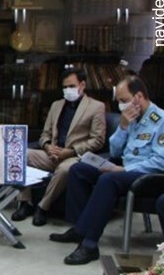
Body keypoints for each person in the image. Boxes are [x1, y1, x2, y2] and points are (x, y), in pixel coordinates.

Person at [51, 75, 164, 265]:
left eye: (124, 100)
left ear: (139, 96)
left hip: (153, 177)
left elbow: (162, 162)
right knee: (79, 169)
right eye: (119, 101)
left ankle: (89, 245)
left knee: (108, 180)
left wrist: (125, 170)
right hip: (126, 169)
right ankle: (79, 229)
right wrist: (123, 127)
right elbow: (115, 151)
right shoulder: (131, 119)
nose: (121, 105)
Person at [11, 69, 106, 226]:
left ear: (82, 85)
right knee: (20, 153)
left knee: (64, 169)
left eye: (72, 86)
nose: (68, 90)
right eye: (65, 87)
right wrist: (48, 146)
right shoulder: (56, 105)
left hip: (75, 155)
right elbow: (45, 134)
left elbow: (98, 140)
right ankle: (25, 203)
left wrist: (71, 151)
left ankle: (43, 207)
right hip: (53, 153)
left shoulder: (96, 107)